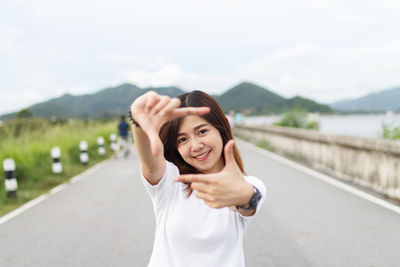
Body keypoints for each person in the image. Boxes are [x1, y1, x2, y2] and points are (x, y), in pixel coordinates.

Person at [129, 90, 266, 267]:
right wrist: (139, 124)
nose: (195, 146)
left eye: (202, 131)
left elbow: (248, 199)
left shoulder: (249, 184)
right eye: (182, 139)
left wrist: (244, 197)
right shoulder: (170, 180)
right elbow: (150, 161)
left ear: (223, 126)